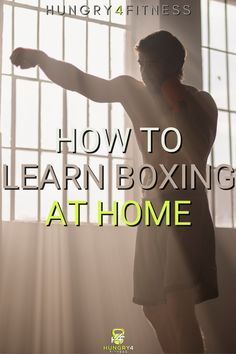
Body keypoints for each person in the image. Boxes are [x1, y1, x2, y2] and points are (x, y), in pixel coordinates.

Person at [10, 30, 218, 353]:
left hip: (186, 210)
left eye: (150, 64)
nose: (143, 71)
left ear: (171, 64)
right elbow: (82, 82)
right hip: (154, 213)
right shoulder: (133, 92)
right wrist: (41, 59)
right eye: (141, 63)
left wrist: (173, 95)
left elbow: (196, 150)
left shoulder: (202, 102)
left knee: (179, 303)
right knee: (153, 307)